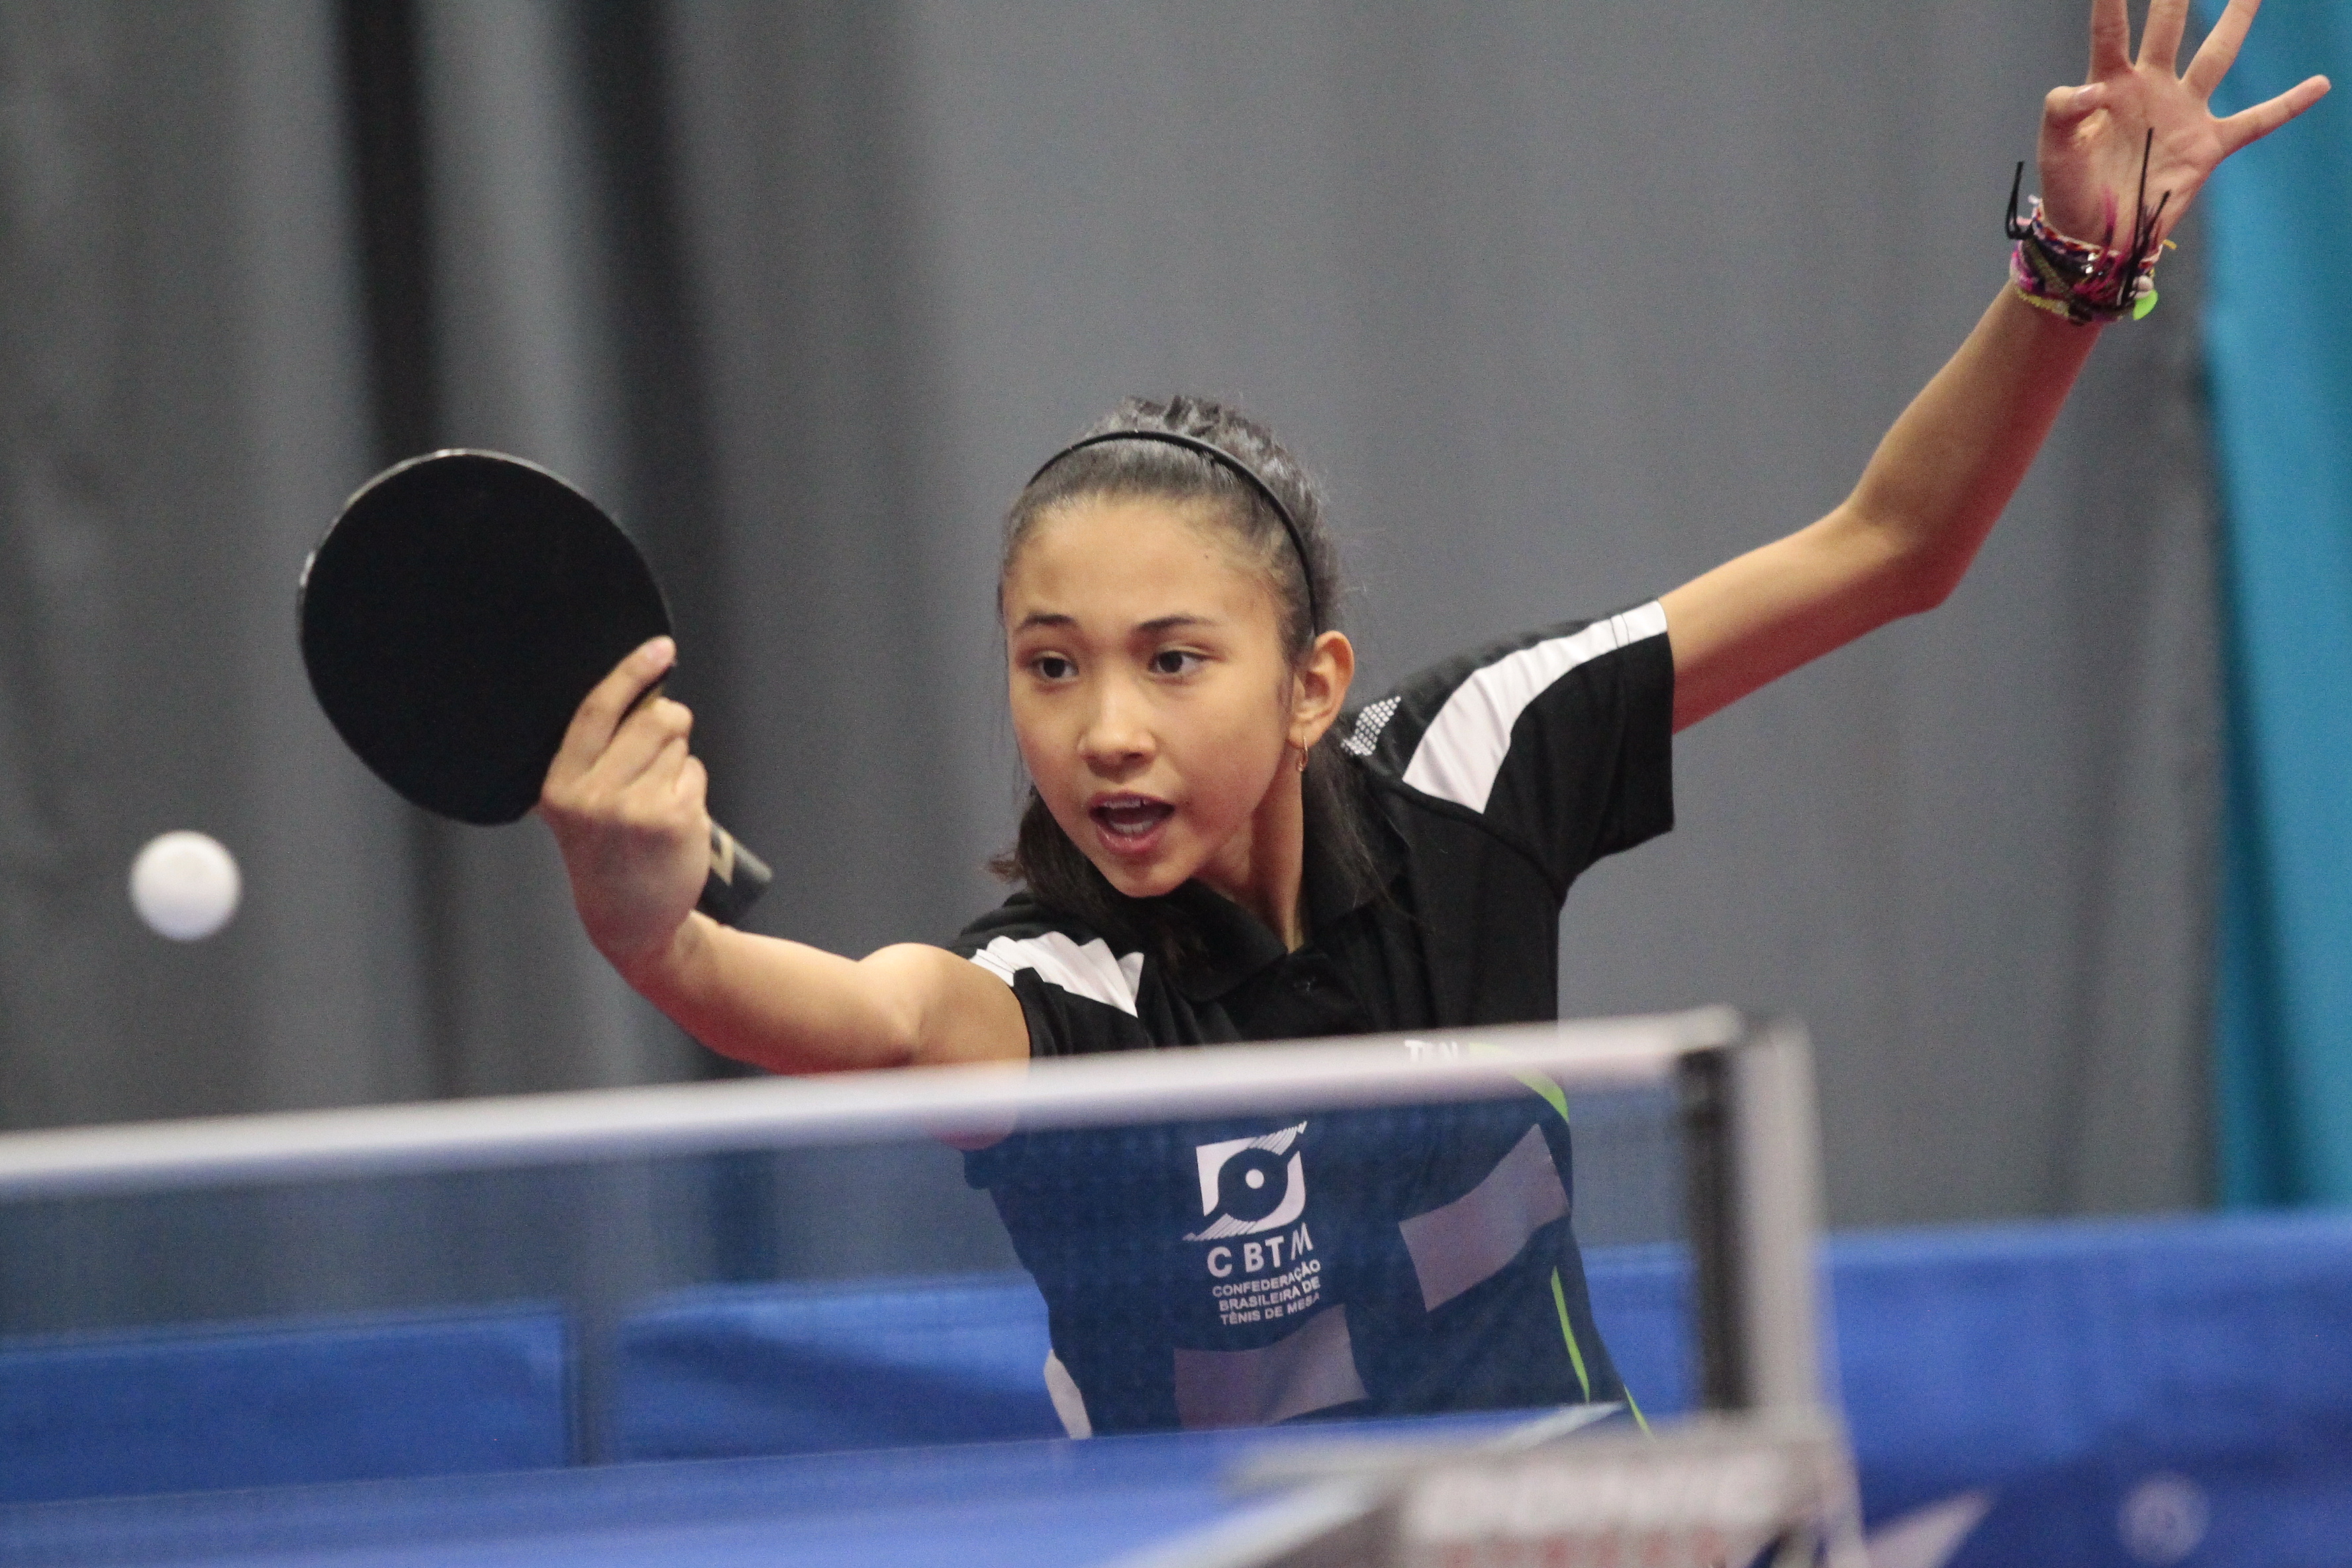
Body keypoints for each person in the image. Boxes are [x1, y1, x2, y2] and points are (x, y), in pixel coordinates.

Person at [540, 0, 2326, 1436]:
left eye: (1174, 660)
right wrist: (653, 935)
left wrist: (2072, 276)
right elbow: (870, 1022)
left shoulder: (1473, 764)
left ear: (1312, 684)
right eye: (1051, 665)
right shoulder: (1053, 998)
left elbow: (1889, 549)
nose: (1104, 731)